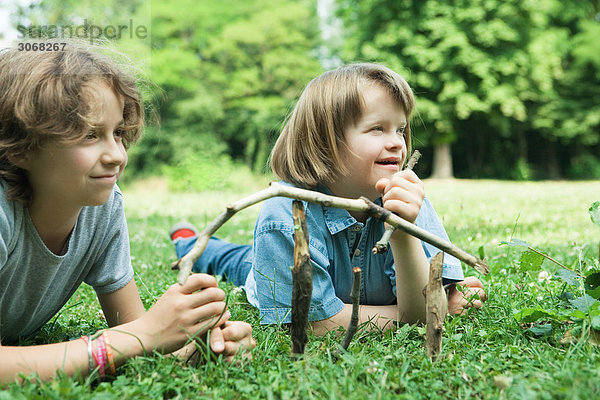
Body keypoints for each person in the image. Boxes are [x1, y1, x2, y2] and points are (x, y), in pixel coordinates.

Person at [0, 44, 254, 384]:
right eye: (90, 135)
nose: (117, 155)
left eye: (117, 132)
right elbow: (135, 337)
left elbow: (136, 332)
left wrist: (199, 344)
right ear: (21, 148)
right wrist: (134, 338)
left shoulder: (102, 206)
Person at [172, 63, 486, 335]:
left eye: (400, 129)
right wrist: (424, 311)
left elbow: (424, 308)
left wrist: (403, 233)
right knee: (236, 262)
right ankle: (186, 241)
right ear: (325, 142)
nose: (397, 143)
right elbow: (316, 325)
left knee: (243, 257)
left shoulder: (408, 199)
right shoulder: (285, 216)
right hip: (270, 264)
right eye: (377, 129)